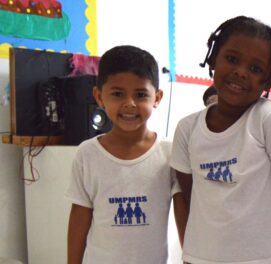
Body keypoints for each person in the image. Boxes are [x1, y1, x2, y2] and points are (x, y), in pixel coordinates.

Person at [170, 16, 271, 264]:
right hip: (203, 257)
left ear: (268, 81)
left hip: (267, 258)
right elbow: (191, 195)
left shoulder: (269, 119)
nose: (240, 72)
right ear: (213, 59)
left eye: (255, 69)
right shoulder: (187, 128)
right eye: (231, 59)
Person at [66, 45, 188, 264]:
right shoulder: (87, 154)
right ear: (99, 96)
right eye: (117, 93)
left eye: (141, 94)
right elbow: (79, 217)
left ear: (157, 98)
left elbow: (183, 214)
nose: (130, 103)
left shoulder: (170, 155)